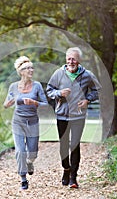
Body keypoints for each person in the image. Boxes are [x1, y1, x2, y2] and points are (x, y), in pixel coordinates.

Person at [46, 47, 101, 188]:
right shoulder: (58, 74)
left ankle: (73, 178)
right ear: (66, 59)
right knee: (64, 147)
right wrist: (59, 93)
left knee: (75, 146)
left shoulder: (87, 75)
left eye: (74, 59)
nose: (71, 61)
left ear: (79, 60)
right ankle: (66, 169)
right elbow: (49, 91)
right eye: (69, 58)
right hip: (62, 115)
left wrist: (87, 100)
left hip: (78, 116)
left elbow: (97, 90)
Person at [3, 56, 48, 190]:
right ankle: (23, 178)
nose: (31, 70)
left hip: (33, 122)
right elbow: (6, 104)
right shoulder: (13, 86)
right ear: (21, 71)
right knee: (20, 151)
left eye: (32, 67)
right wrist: (10, 102)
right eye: (27, 68)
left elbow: (45, 104)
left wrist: (34, 103)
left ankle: (29, 162)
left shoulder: (37, 86)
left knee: (32, 153)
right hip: (18, 122)